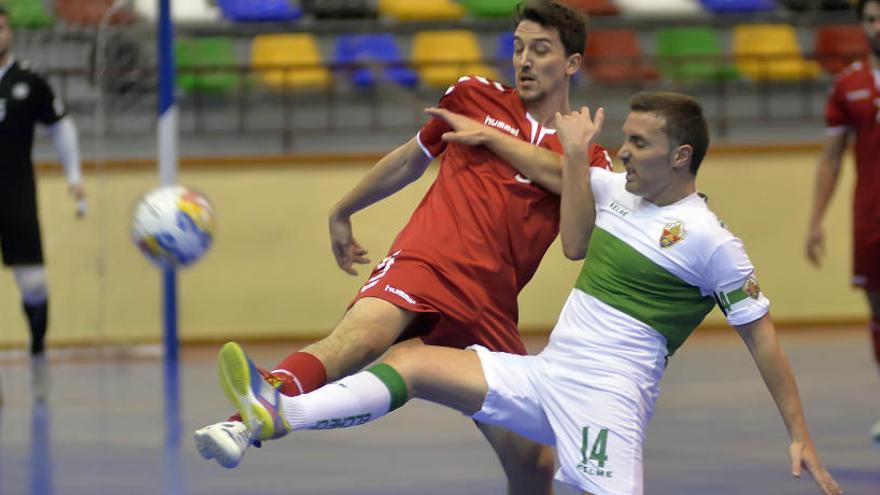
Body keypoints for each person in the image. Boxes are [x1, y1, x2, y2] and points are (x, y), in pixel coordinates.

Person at [215, 93, 843, 495]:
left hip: (607, 405)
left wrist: (798, 433)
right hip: (546, 378)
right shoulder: (613, 189)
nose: (623, 150)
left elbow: (763, 340)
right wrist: (491, 138)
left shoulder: (713, 243)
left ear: (681, 156)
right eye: (623, 138)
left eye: (640, 143)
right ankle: (277, 412)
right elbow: (543, 167)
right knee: (408, 362)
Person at [194, 1, 612, 491]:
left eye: (540, 51)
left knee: (534, 463)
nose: (523, 61)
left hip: (490, 307)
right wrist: (343, 209)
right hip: (426, 262)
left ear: (572, 63)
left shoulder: (587, 156)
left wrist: (533, 149)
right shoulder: (474, 96)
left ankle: (260, 413)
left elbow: (575, 242)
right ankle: (245, 419)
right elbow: (410, 159)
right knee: (359, 339)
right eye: (518, 48)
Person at [0, 7, 85, 404]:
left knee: (33, 285)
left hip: (16, 192)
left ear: (9, 32)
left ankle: (37, 354)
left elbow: (60, 126)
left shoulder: (29, 81)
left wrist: (74, 177)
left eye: (0, 26)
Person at [805, 0, 880, 441]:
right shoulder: (848, 85)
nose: (878, 25)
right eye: (871, 18)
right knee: (877, 312)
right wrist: (815, 220)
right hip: (871, 219)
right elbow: (831, 158)